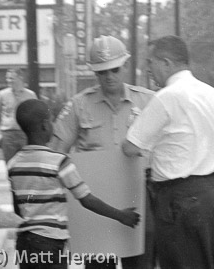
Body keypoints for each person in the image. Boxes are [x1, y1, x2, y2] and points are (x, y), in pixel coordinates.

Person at [122, 35, 214, 269]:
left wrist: (152, 147)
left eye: (151, 62)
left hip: (182, 200)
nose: (149, 70)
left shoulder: (166, 97)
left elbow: (130, 146)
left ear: (166, 62)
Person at [48, 35, 154, 269]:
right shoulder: (79, 105)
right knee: (98, 265)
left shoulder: (148, 101)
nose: (109, 77)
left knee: (140, 263)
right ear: (94, 73)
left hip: (139, 195)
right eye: (101, 72)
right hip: (97, 201)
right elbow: (56, 152)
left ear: (126, 65)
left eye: (114, 70)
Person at [9, 99, 140, 269]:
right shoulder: (59, 162)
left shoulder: (13, 164)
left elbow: (17, 208)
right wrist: (121, 216)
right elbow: (87, 199)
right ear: (45, 125)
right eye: (51, 120)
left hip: (24, 242)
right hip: (50, 243)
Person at [0, 68, 37, 163]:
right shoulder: (2, 94)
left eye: (11, 78)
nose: (8, 81)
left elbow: (36, 114)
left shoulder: (31, 95)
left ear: (20, 78)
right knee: (10, 165)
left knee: (26, 164)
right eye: (7, 78)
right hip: (8, 135)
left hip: (25, 135)